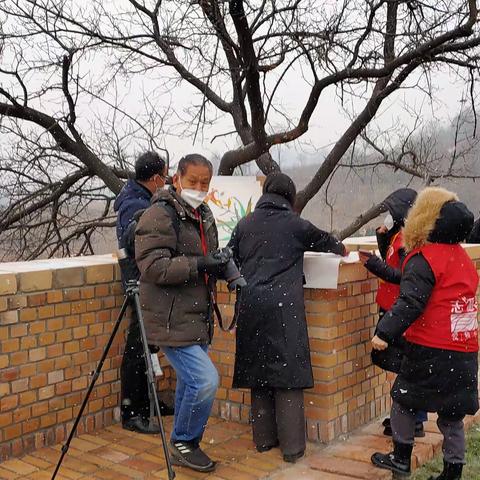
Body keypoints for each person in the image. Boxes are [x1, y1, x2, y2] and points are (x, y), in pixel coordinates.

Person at [228, 172, 347, 464]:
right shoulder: (295, 224)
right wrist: (343, 249)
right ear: (290, 197)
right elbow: (328, 243)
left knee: (258, 373)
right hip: (284, 309)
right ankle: (292, 448)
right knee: (287, 376)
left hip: (251, 306)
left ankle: (263, 440)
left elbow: (229, 256)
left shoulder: (245, 224)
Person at [371, 187, 478, 480]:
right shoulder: (463, 259)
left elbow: (410, 302)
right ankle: (452, 472)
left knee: (404, 399)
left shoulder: (424, 258)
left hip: (431, 347)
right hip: (466, 349)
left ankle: (401, 458)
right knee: (452, 415)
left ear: (423, 219)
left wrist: (384, 332)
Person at [135, 154, 226, 473]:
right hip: (170, 317)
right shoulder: (160, 214)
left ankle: (184, 443)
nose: (199, 188)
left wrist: (222, 267)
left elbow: (205, 256)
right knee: (205, 380)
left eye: (205, 183)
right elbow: (151, 266)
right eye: (193, 182)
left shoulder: (201, 213)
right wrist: (199, 265)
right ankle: (184, 440)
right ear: (177, 179)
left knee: (191, 382)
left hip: (194, 315)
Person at [358, 188, 427, 437]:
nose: (388, 215)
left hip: (399, 312)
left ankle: (413, 422)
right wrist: (381, 237)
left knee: (404, 368)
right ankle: (404, 418)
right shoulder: (399, 234)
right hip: (391, 308)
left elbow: (406, 277)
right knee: (399, 366)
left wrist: (375, 267)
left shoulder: (410, 239)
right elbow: (392, 260)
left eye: (391, 212)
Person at [114, 151, 173, 434]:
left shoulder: (138, 196)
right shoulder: (133, 203)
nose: (166, 180)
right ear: (154, 178)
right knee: (138, 347)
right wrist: (143, 218)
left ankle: (148, 403)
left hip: (147, 282)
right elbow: (130, 238)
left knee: (149, 346)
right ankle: (132, 412)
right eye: (164, 175)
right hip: (138, 283)